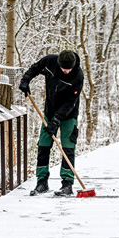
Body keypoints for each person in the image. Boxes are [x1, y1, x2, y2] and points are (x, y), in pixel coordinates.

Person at [18, 50, 84, 196]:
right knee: (43, 145)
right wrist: (25, 80)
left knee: (67, 147)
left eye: (69, 69)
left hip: (68, 115)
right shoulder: (49, 61)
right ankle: (41, 182)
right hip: (49, 112)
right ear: (58, 63)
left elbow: (70, 102)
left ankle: (67, 183)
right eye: (64, 68)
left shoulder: (77, 75)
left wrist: (56, 121)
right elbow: (34, 68)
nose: (66, 71)